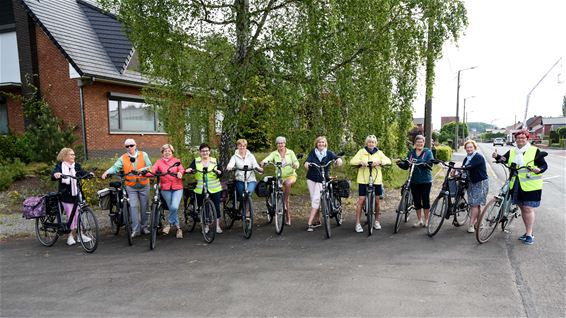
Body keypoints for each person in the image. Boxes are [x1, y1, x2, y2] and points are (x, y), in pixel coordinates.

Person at [492, 130, 547, 245]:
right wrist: (497, 156)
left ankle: (529, 234)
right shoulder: (513, 151)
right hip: (515, 183)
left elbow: (543, 165)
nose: (520, 139)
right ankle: (527, 232)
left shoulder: (534, 151)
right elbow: (504, 159)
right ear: (515, 139)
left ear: (527, 139)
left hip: (530, 185)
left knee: (527, 208)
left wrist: (539, 169)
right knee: (522, 208)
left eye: (523, 137)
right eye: (518, 138)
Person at [101, 139, 152, 238]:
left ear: (135, 145)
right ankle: (135, 230)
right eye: (127, 146)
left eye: (131, 145)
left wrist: (144, 169)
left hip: (144, 185)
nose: (129, 148)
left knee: (144, 207)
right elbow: (115, 167)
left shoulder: (143, 154)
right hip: (131, 186)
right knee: (133, 207)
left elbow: (150, 166)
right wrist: (106, 172)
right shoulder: (123, 158)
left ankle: (144, 227)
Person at [51, 148, 94, 246]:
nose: (73, 156)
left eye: (73, 154)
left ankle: (80, 235)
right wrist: (56, 174)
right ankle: (70, 236)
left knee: (79, 214)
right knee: (71, 215)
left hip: (77, 194)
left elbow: (82, 173)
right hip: (66, 195)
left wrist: (88, 174)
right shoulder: (60, 166)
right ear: (65, 156)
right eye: (71, 155)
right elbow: (53, 174)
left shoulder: (76, 166)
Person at [350, 135, 391, 232]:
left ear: (375, 143)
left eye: (373, 142)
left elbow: (388, 160)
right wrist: (360, 162)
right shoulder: (361, 152)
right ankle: (357, 223)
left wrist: (380, 162)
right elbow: (352, 161)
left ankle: (376, 221)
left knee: (377, 201)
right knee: (361, 200)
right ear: (366, 143)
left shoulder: (379, 152)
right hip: (363, 179)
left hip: (376, 179)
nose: (371, 144)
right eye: (369, 142)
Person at [304, 136, 342, 232]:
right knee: (314, 199)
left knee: (316, 199)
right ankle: (317, 220)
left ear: (325, 144)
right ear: (316, 144)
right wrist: (306, 164)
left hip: (323, 178)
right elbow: (307, 161)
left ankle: (309, 223)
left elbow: (337, 159)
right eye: (319, 142)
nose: (321, 144)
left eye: (322, 142)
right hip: (311, 178)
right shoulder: (313, 152)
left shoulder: (328, 153)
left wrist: (338, 161)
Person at [260, 136, 300, 226]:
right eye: (278, 143)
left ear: (285, 144)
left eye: (282, 143)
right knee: (278, 191)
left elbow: (296, 162)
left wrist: (295, 165)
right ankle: (279, 203)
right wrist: (263, 162)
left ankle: (287, 213)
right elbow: (268, 159)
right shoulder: (274, 153)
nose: (280, 145)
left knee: (288, 184)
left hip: (291, 175)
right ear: (276, 145)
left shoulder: (290, 152)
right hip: (279, 177)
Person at [396, 135, 434, 228]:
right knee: (416, 201)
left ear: (424, 143)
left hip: (425, 180)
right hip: (414, 180)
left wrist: (425, 164)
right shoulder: (411, 153)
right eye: (418, 142)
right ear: (415, 143)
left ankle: (426, 220)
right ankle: (419, 220)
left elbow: (431, 163)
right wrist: (399, 163)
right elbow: (406, 165)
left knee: (425, 200)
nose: (419, 144)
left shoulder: (428, 152)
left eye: (421, 142)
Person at [187, 143, 223, 233]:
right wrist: (189, 170)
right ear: (200, 152)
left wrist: (219, 172)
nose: (205, 152)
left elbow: (221, 172)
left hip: (215, 187)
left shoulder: (215, 161)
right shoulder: (196, 161)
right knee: (203, 207)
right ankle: (206, 226)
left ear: (209, 152)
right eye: (203, 151)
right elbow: (190, 169)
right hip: (201, 188)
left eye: (206, 151)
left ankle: (217, 226)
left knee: (216, 206)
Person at [151, 144, 185, 239]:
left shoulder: (176, 161)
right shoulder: (158, 162)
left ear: (172, 152)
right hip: (165, 188)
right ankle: (178, 228)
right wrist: (150, 173)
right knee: (172, 208)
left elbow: (181, 169)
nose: (167, 152)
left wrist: (180, 173)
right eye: (165, 151)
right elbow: (153, 170)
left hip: (177, 187)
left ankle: (169, 224)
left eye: (169, 151)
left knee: (174, 206)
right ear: (162, 153)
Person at [457, 140, 488, 233]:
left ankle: (471, 224)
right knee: (475, 204)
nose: (469, 149)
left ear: (474, 148)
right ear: (465, 149)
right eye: (467, 147)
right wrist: (456, 172)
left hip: (480, 183)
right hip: (471, 183)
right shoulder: (467, 158)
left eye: (471, 147)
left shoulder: (478, 157)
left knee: (474, 204)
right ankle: (480, 223)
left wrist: (459, 168)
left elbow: (468, 167)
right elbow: (463, 168)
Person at [226, 139, 263, 203]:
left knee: (248, 194)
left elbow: (255, 165)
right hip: (240, 179)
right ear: (237, 146)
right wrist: (230, 167)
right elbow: (231, 163)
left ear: (246, 146)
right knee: (241, 196)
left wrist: (259, 169)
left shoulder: (251, 156)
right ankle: (241, 208)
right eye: (240, 146)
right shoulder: (234, 157)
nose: (242, 147)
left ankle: (247, 211)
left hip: (251, 179)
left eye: (244, 146)